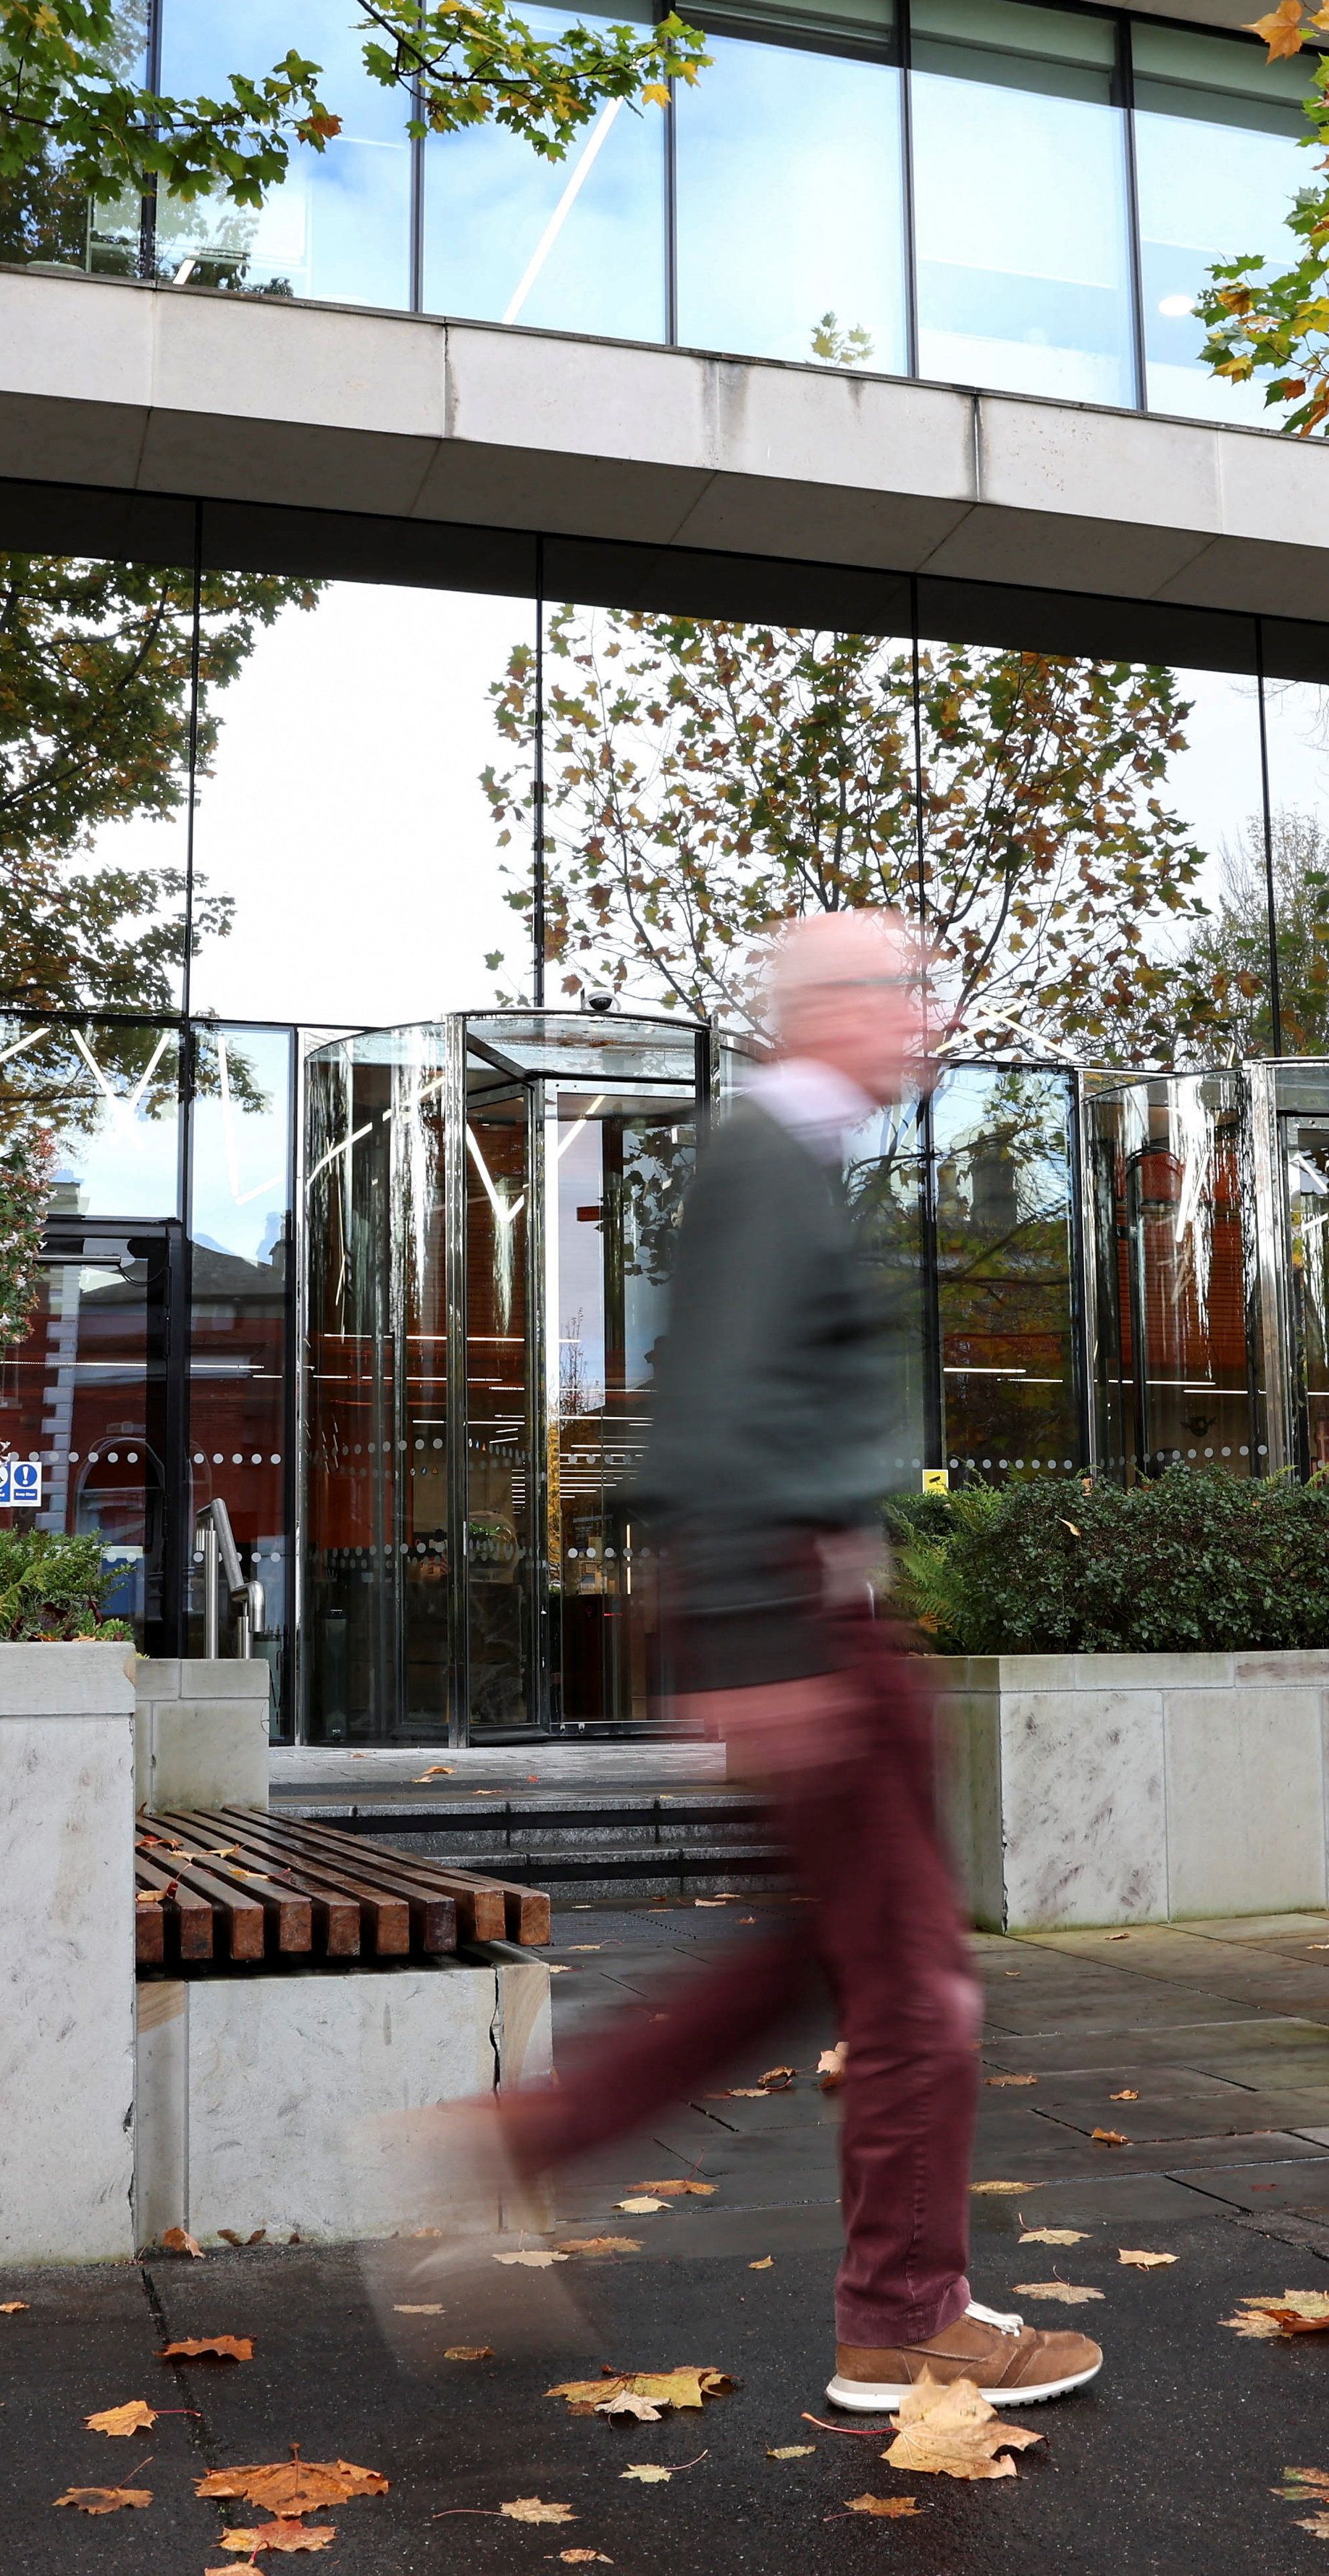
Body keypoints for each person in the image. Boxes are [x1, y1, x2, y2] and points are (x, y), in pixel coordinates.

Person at [448, 910, 1100, 2412]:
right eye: (901, 992)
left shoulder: (793, 1160)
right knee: (921, 1986)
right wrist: (754, 1634)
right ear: (825, 1009)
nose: (923, 1021)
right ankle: (900, 2319)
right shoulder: (761, 1159)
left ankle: (529, 2139)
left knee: (823, 1955)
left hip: (820, 1612)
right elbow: (715, 1402)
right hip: (802, 1618)